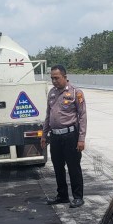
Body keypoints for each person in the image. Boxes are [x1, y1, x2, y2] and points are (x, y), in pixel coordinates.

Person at [41, 65, 87, 208]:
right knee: (58, 167)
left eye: (57, 78)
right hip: (55, 136)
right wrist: (44, 135)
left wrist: (81, 138)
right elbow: (48, 115)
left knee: (73, 167)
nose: (54, 81)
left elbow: (82, 116)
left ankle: (78, 197)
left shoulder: (75, 92)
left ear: (65, 77)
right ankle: (62, 196)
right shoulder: (52, 93)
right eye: (52, 78)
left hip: (70, 136)